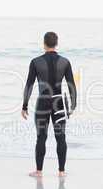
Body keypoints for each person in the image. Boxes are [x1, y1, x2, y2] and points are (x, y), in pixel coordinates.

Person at [21, 32, 77, 177]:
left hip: (43, 102)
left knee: (41, 137)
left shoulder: (35, 62)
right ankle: (61, 171)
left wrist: (24, 106)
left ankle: (39, 171)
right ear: (56, 43)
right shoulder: (65, 62)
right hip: (59, 102)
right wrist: (73, 105)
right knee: (61, 137)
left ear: (44, 43)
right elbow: (71, 85)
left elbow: (29, 85)